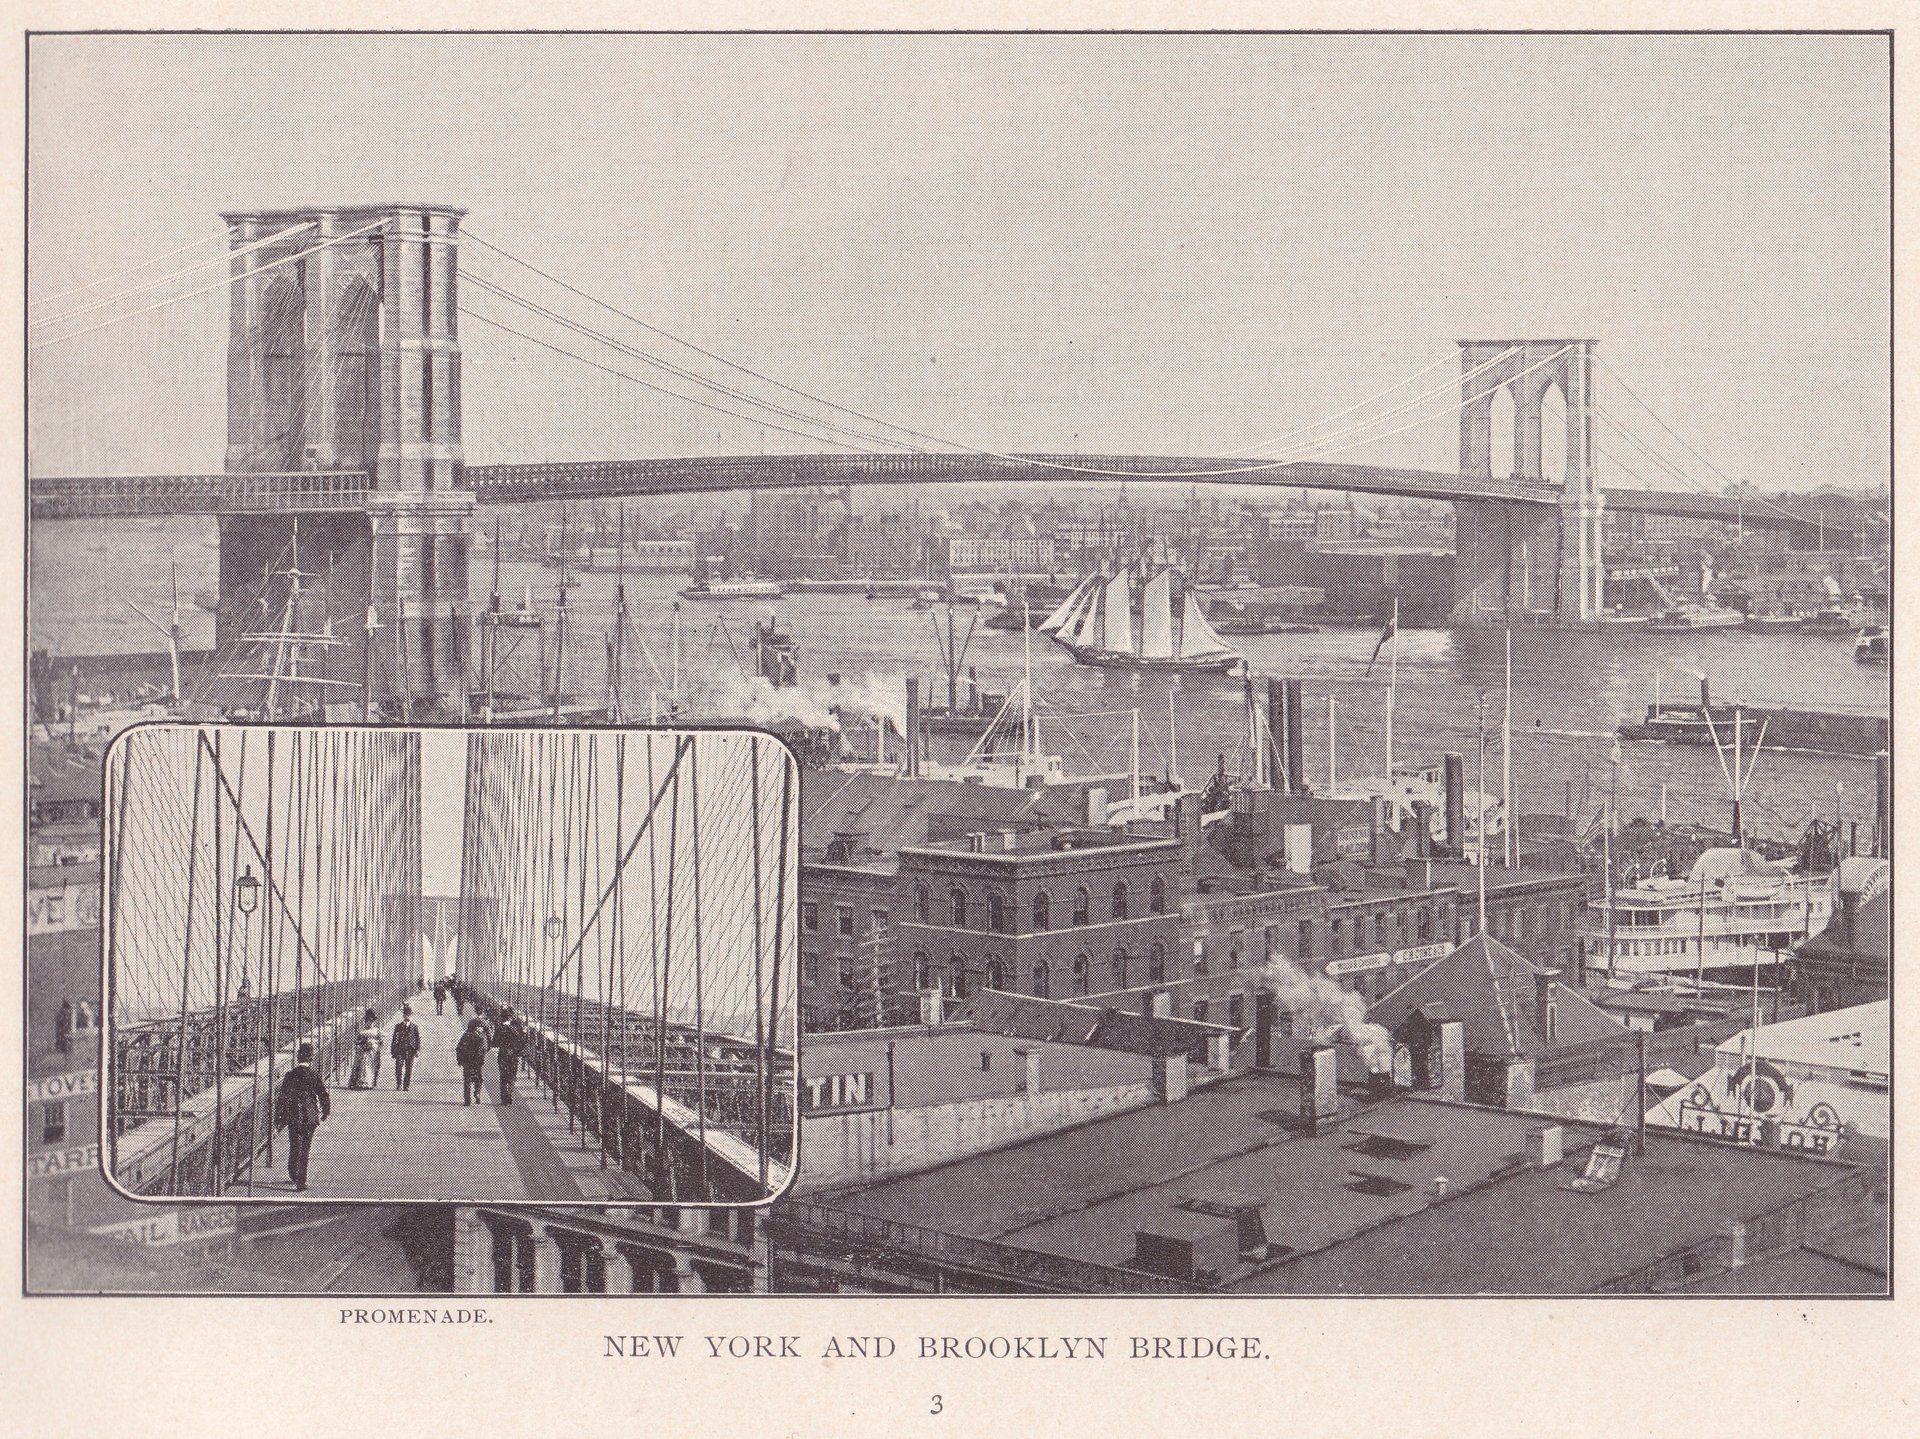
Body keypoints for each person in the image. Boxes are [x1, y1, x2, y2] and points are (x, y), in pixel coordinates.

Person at [273, 1042, 331, 1191]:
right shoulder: (314, 1075)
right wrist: (325, 1111)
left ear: (298, 1057)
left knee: (295, 1146)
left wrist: (278, 1118)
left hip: (295, 1114)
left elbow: (283, 1097)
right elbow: (323, 1094)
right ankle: (301, 1181)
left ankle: (294, 1173)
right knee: (305, 1148)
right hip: (310, 1115)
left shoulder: (291, 1075)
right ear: (311, 1058)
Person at [492, 1007, 527, 1106]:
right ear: (511, 1017)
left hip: (503, 1054)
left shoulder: (500, 1028)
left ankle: (504, 1097)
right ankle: (509, 1093)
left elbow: (494, 1043)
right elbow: (523, 1040)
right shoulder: (517, 1028)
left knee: (503, 1076)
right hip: (513, 1055)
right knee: (512, 1075)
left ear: (502, 1017)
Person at [455, 1018, 490, 1106]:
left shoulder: (465, 1035)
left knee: (467, 1080)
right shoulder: (481, 1037)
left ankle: (467, 1100)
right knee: (479, 1079)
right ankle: (477, 1093)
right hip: (477, 1062)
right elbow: (485, 1049)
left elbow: (459, 1048)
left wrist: (459, 1060)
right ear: (476, 1027)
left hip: (467, 1062)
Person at [390, 1004, 421, 1091]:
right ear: (403, 1015)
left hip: (411, 1050)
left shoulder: (414, 1027)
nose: (407, 1016)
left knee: (409, 1068)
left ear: (411, 1016)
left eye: (409, 1015)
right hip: (400, 1049)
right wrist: (393, 1050)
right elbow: (394, 1039)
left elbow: (418, 1039)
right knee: (398, 1067)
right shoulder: (398, 1026)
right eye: (406, 1015)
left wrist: (418, 1050)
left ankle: (406, 1085)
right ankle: (399, 1083)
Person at [349, 1007, 382, 1089]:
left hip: (373, 1050)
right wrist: (361, 1044)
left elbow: (381, 1041)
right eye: (369, 1022)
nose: (370, 1023)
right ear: (366, 1021)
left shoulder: (376, 1030)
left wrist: (376, 1044)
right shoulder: (362, 1031)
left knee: (373, 1065)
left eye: (372, 1022)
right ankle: (360, 1082)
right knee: (363, 1062)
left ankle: (371, 1082)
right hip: (364, 1050)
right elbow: (357, 1041)